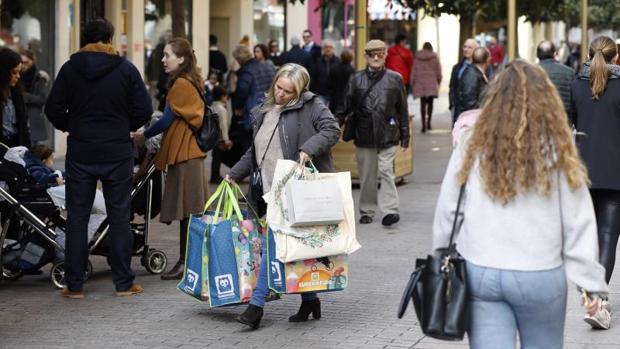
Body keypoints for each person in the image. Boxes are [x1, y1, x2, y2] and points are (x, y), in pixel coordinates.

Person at [433, 60, 609, 348]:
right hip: (540, 272)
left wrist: (441, 253)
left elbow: (449, 208)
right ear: (546, 100)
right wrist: (590, 285)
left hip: (482, 269)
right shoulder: (558, 149)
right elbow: (578, 221)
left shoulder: (470, 143)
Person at [226, 63, 340, 330]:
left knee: (274, 246)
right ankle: (310, 300)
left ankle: (255, 307)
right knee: (291, 247)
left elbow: (332, 130)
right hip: (267, 189)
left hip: (295, 191)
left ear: (300, 91)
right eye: (278, 87)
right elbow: (255, 153)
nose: (281, 94)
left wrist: (308, 149)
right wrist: (234, 174)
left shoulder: (312, 106)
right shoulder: (265, 110)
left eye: (288, 91)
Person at [45, 18, 152, 298]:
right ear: (110, 38)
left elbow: (53, 108)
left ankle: (75, 285)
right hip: (117, 150)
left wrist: (72, 125)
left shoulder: (70, 69)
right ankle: (124, 283)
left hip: (81, 150)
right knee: (119, 215)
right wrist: (123, 125)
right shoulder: (126, 69)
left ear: (84, 38)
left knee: (77, 217)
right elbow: (144, 109)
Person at [132, 37, 209, 281]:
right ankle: (189, 261)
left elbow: (166, 120)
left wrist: (143, 135)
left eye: (167, 55)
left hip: (185, 151)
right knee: (191, 211)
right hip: (188, 151)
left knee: (189, 211)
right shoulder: (189, 81)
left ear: (182, 59)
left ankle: (187, 263)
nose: (163, 60)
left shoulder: (180, 84)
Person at [571, 35, 620, 329]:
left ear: (589, 56)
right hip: (615, 174)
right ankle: (598, 303)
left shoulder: (576, 84)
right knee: (607, 239)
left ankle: (594, 297)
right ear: (616, 57)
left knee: (589, 240)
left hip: (583, 172)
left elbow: (570, 126)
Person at [340, 40, 409, 227]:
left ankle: (390, 210)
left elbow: (402, 109)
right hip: (364, 134)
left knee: (387, 171)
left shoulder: (395, 78)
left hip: (388, 134)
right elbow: (345, 105)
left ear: (386, 54)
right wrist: (331, 127)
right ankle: (367, 210)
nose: (376, 57)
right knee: (367, 175)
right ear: (366, 56)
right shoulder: (356, 79)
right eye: (372, 54)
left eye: (380, 53)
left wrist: (405, 135)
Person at [231, 45, 276, 159]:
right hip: (268, 109)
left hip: (252, 112)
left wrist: (237, 106)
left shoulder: (246, 71)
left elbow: (241, 91)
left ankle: (253, 174)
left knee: (250, 146)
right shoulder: (265, 66)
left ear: (239, 59)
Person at [0, 47, 31, 147]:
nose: (18, 76)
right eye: (14, 72)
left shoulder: (16, 93)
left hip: (17, 148)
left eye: (19, 72)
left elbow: (24, 128)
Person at [537, 40, 575, 117]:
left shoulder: (530, 71)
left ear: (537, 55)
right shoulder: (570, 72)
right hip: (563, 119)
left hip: (539, 119)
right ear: (554, 54)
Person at [411, 42, 442, 133]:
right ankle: (429, 122)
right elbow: (438, 69)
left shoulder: (417, 57)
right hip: (431, 82)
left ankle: (423, 125)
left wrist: (412, 81)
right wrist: (439, 80)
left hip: (421, 82)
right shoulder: (434, 56)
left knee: (422, 103)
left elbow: (414, 69)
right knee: (430, 103)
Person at [20, 49, 49, 145]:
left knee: (32, 152)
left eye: (26, 62)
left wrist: (26, 97)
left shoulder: (39, 78)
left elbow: (42, 100)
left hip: (32, 121)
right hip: (19, 120)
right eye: (21, 62)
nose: (23, 65)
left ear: (32, 61)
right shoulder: (16, 75)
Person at [449, 38, 479, 125]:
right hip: (458, 110)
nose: (466, 49)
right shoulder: (457, 68)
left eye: (469, 47)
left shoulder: (481, 68)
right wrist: (452, 104)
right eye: (465, 47)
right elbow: (452, 87)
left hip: (474, 112)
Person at [456, 47, 489, 121]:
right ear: (486, 60)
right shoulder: (471, 74)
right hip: (472, 119)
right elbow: (469, 101)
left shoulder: (478, 73)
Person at [209, 85, 232, 183]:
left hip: (213, 136)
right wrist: (226, 139)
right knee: (217, 157)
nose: (227, 98)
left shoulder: (212, 107)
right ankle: (215, 176)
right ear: (222, 96)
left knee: (215, 156)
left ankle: (214, 175)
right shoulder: (222, 110)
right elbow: (223, 126)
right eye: (226, 96)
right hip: (220, 137)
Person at [310, 39, 340, 105]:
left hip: (334, 94)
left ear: (333, 49)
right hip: (321, 93)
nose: (328, 49)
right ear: (323, 49)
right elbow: (314, 77)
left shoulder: (338, 62)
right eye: (326, 47)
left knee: (332, 114)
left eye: (330, 47)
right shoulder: (318, 61)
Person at [328, 49, 355, 116]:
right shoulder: (352, 70)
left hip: (334, 98)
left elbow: (329, 83)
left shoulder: (333, 68)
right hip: (346, 98)